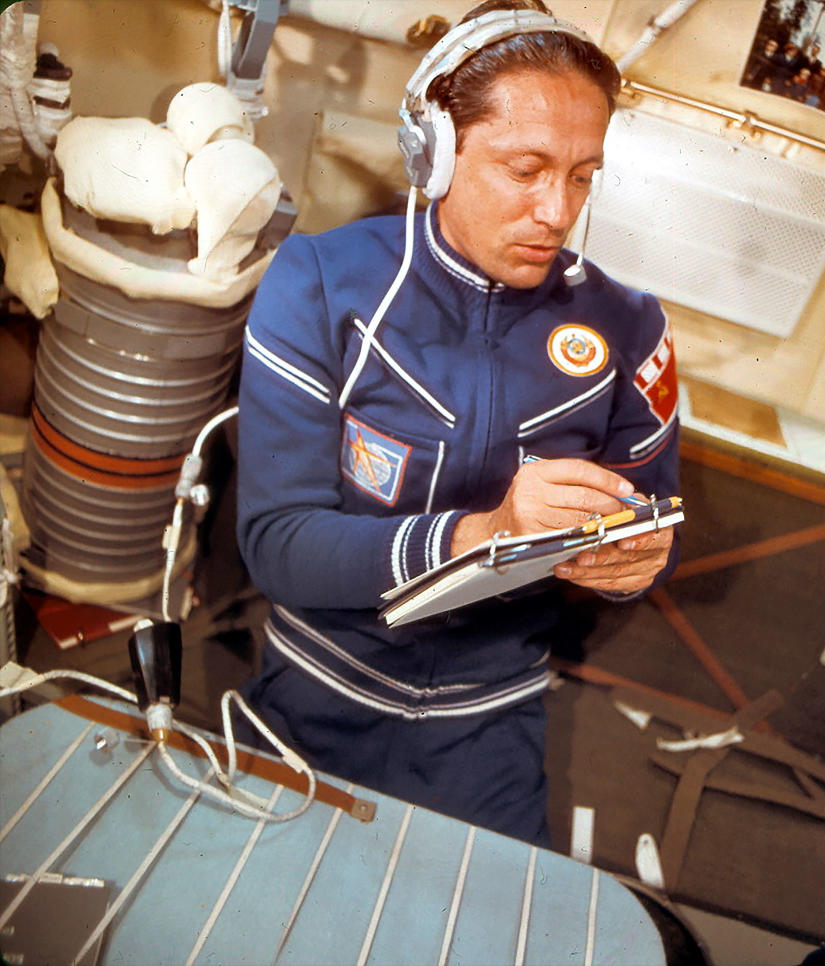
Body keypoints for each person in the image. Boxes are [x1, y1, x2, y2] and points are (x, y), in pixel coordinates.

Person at [235, 0, 680, 847]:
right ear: (434, 154)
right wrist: (486, 533)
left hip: (493, 719)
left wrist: (630, 563)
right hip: (320, 690)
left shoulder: (632, 329)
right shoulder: (320, 285)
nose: (558, 210)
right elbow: (278, 544)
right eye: (527, 169)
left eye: (582, 175)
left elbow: (657, 528)